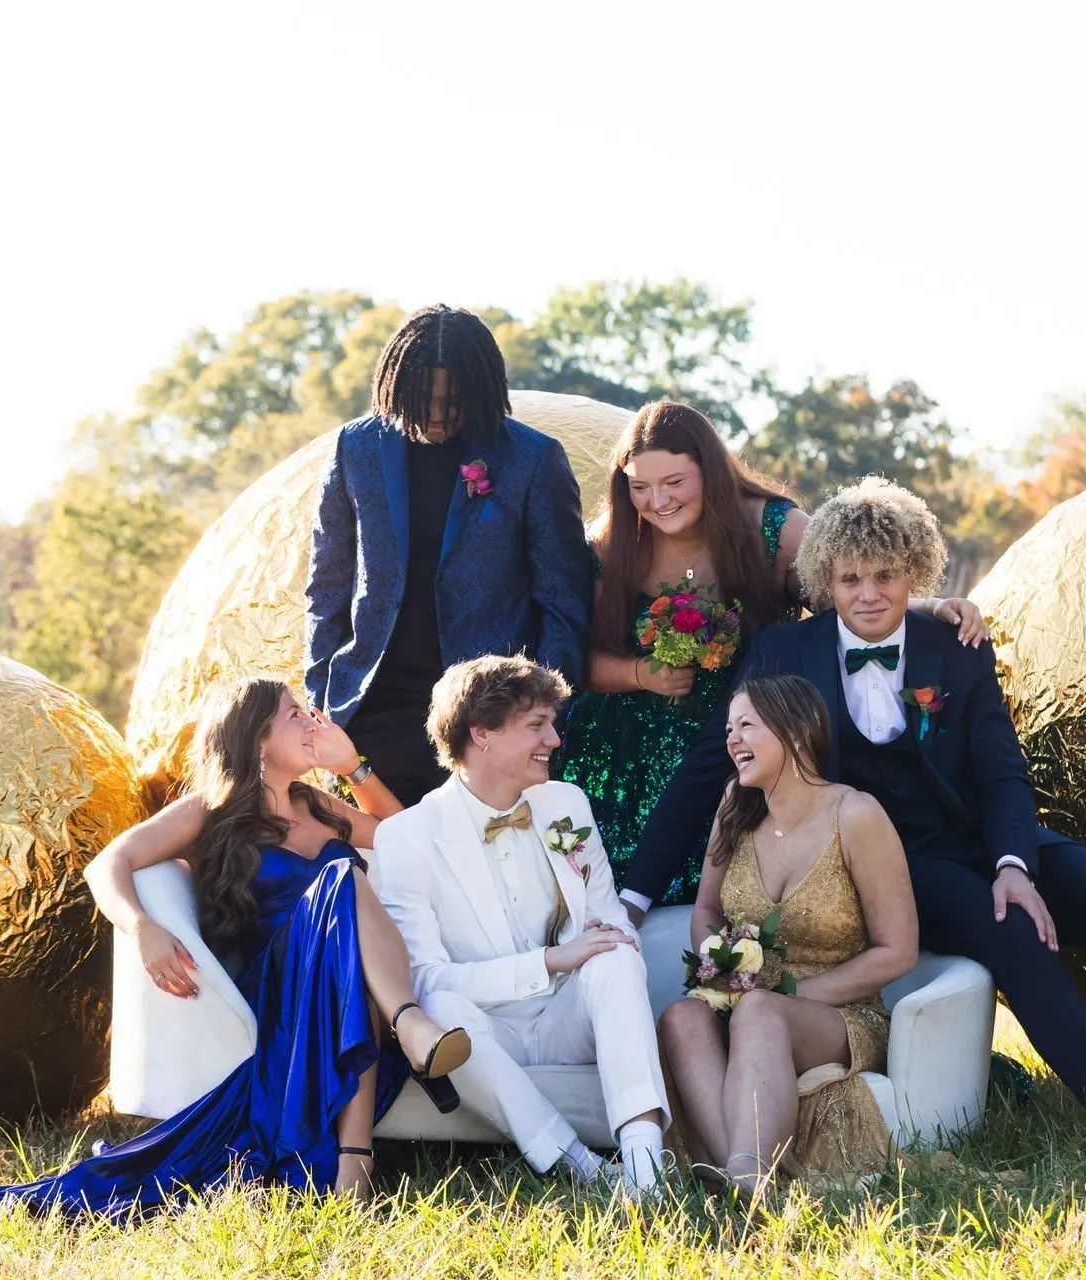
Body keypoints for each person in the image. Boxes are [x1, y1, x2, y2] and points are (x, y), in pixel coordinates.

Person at [626, 477, 1086, 1154]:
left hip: (978, 838)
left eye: (886, 576)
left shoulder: (954, 644)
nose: (868, 594)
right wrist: (632, 894)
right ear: (825, 581)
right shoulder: (785, 655)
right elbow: (707, 767)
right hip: (882, 862)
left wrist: (1014, 862)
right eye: (850, 579)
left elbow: (999, 767)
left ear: (914, 574)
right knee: (1010, 928)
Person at [0, 679, 471, 1218]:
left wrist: (353, 767)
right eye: (294, 715)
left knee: (347, 889)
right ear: (256, 741)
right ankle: (409, 1027)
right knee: (343, 881)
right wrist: (142, 926)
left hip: (349, 980)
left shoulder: (318, 805)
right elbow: (108, 864)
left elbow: (407, 841)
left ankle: (354, 1158)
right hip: (280, 988)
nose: (311, 721)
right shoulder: (211, 810)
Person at [560, 400, 988, 909]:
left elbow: (853, 596)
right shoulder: (611, 544)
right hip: (622, 743)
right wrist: (640, 673)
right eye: (639, 486)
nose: (658, 500)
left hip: (744, 735)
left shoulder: (775, 530)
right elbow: (569, 663)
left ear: (709, 470)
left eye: (674, 482)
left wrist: (930, 605)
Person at [373, 655, 672, 1195]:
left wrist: (592, 950)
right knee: (439, 1011)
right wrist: (547, 962)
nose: (555, 740)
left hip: (566, 1017)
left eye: (551, 724)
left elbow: (605, 920)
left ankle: (646, 1167)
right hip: (486, 1031)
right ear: (481, 733)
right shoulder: (406, 837)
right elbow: (424, 981)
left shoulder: (566, 805)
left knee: (617, 952)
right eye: (537, 725)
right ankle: (578, 1164)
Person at [307, 304, 592, 806]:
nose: (436, 417)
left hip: (487, 719)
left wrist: (537, 717)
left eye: (453, 402)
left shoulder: (533, 458)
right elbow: (328, 583)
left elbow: (564, 604)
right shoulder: (355, 448)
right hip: (373, 709)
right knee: (384, 869)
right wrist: (321, 696)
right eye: (422, 401)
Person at [659, 675, 918, 1195]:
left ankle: (747, 1181)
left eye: (746, 726)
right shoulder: (735, 806)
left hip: (839, 1014)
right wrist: (722, 967)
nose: (732, 740)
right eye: (729, 728)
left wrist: (783, 995)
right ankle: (744, 1180)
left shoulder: (856, 814)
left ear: (797, 731)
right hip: (747, 1002)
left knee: (760, 1011)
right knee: (682, 1016)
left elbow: (899, 951)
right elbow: (706, 909)